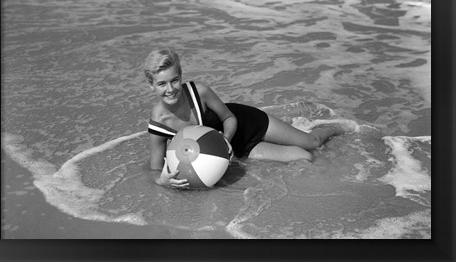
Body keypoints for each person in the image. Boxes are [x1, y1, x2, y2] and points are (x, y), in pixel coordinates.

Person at [144, 49, 355, 189]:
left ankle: (337, 127)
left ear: (181, 77)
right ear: (151, 85)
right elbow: (155, 170)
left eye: (174, 81)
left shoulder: (199, 91)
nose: (170, 89)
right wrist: (163, 181)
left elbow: (229, 117)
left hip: (245, 123)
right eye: (162, 84)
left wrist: (224, 139)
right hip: (237, 150)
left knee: (312, 143)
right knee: (304, 157)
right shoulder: (158, 122)